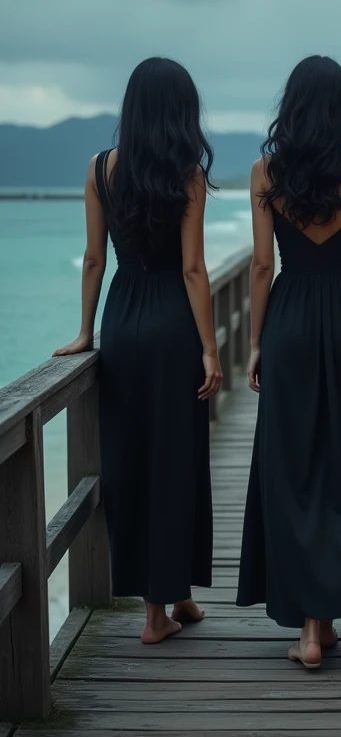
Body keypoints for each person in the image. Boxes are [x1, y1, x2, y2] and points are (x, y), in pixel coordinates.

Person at [54, 57, 221, 644]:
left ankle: (167, 605)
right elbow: (195, 269)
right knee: (175, 461)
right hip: (175, 323)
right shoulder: (188, 176)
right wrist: (209, 348)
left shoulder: (101, 169)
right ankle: (168, 602)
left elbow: (95, 257)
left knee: (130, 459)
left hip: (123, 320)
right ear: (181, 112)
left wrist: (85, 332)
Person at [237, 54, 341, 670]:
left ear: (291, 107)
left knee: (292, 466)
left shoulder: (265, 173)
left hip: (291, 319)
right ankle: (323, 624)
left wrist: (254, 342)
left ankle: (305, 630)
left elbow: (261, 266)